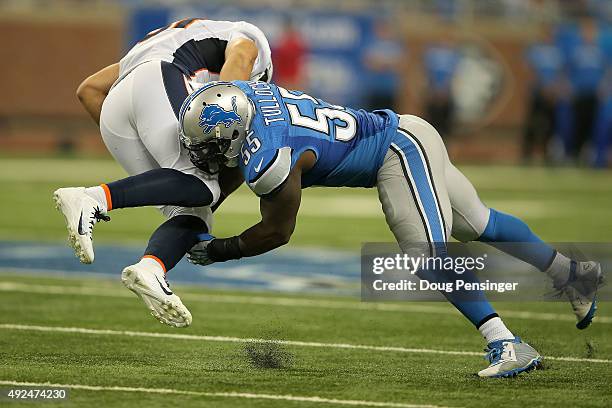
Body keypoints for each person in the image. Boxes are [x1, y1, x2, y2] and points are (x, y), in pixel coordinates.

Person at [176, 80, 602, 377]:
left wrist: (220, 249)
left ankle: (506, 343)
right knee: (478, 224)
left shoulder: (269, 156)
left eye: (210, 144)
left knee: (427, 256)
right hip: (406, 128)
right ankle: (572, 275)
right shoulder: (245, 94)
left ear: (234, 132)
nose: (205, 153)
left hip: (396, 150)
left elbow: (277, 232)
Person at [54, 18, 273, 327]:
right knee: (204, 188)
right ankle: (92, 198)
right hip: (158, 81)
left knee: (194, 211)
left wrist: (139, 143)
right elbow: (237, 69)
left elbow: (88, 90)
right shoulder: (252, 40)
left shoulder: (174, 41)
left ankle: (151, 268)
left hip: (116, 107)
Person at [522, 25, 565, 162]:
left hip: (552, 94)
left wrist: (554, 89)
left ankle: (546, 153)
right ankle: (527, 153)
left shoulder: (558, 52)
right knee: (533, 122)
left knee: (551, 124)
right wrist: (541, 86)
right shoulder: (536, 49)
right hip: (538, 92)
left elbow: (561, 72)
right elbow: (530, 69)